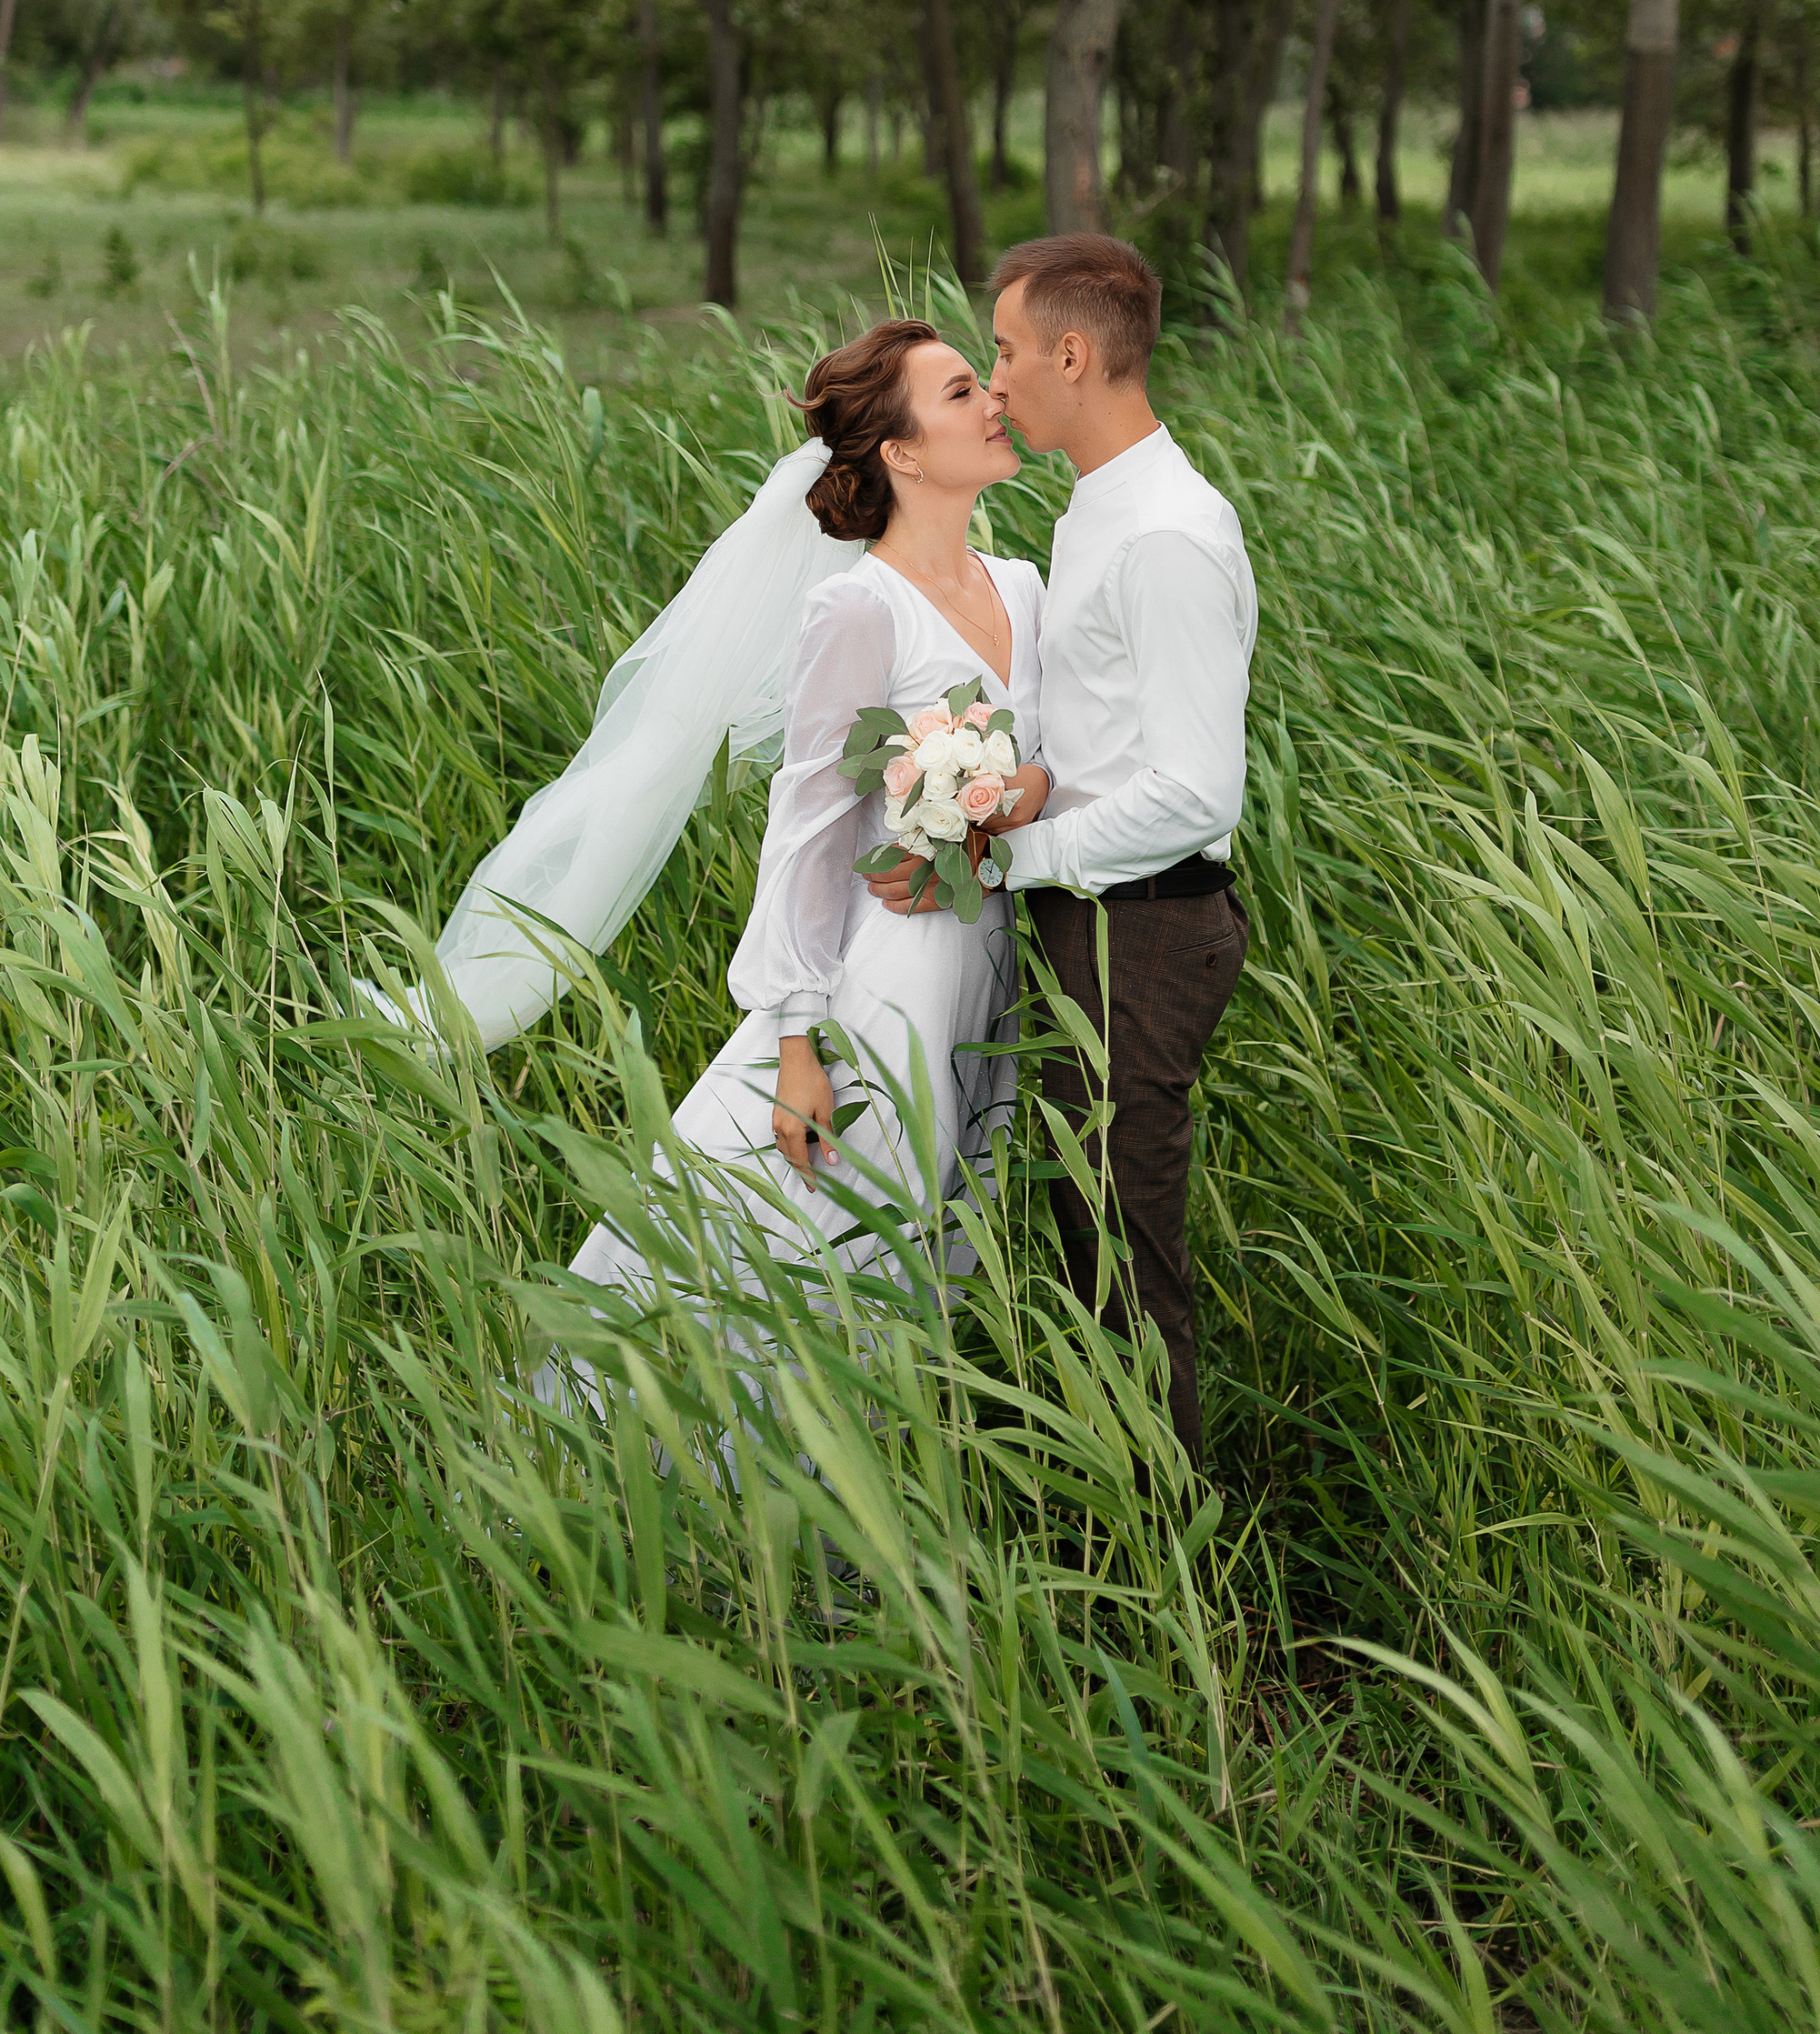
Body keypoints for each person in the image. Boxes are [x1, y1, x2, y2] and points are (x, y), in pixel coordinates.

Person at [374, 316, 1051, 1306]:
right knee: (817, 1251)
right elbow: (811, 826)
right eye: (959, 392)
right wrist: (794, 1043)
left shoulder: (1024, 588)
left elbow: (1059, 767)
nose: (993, 400)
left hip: (994, 964)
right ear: (902, 453)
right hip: (890, 969)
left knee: (933, 1254)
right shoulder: (860, 610)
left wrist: (1001, 812)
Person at [865, 234, 1255, 1463]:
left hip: (1146, 928)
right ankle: (1121, 1517)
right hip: (1102, 918)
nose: (996, 380)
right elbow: (1106, 741)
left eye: (1006, 351)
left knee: (1126, 1267)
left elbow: (1194, 790)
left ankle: (1166, 1547)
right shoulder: (1101, 508)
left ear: (1073, 356)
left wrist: (1004, 863)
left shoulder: (1164, 537)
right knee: (1093, 1245)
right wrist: (1017, 791)